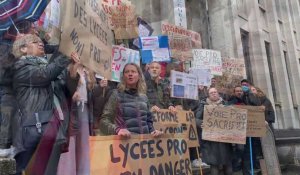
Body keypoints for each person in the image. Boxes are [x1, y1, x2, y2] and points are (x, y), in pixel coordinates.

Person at [11, 34, 80, 175]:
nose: (41, 43)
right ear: (23, 49)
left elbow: (67, 91)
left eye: (41, 41)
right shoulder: (20, 67)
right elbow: (45, 75)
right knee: (21, 170)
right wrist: (66, 54)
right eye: (35, 42)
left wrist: (73, 75)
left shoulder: (49, 67)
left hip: (52, 128)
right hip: (31, 129)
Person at [100, 63, 162, 137]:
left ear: (139, 75)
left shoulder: (144, 97)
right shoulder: (116, 95)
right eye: (127, 72)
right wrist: (118, 130)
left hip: (144, 145)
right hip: (125, 145)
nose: (130, 74)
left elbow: (148, 121)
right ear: (123, 76)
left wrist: (153, 131)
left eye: (133, 71)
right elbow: (103, 122)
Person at [195, 87, 233, 175]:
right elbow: (196, 119)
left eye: (215, 92)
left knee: (228, 166)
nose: (214, 94)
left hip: (225, 140)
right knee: (214, 165)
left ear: (218, 93)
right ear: (208, 95)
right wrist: (202, 123)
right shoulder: (203, 105)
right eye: (211, 93)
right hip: (211, 141)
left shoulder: (225, 104)